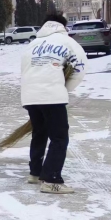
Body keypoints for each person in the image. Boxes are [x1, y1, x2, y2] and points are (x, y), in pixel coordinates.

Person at [20, 13, 87, 194]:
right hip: (52, 97)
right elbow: (79, 68)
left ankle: (35, 173)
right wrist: (65, 89)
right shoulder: (68, 42)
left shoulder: (33, 44)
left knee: (39, 133)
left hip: (29, 96)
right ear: (63, 26)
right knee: (59, 138)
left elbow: (25, 69)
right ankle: (51, 179)